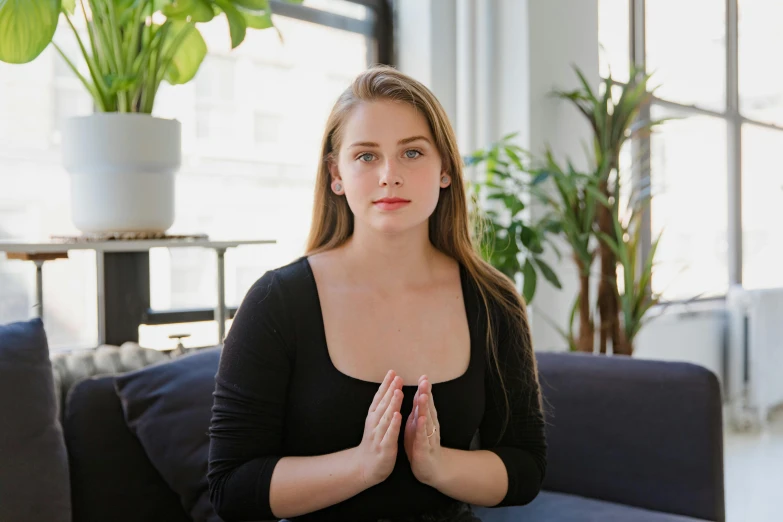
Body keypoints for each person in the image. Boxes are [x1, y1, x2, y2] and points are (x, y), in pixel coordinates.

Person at [207, 65, 547, 522]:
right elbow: (231, 487)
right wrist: (362, 467)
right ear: (336, 174)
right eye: (366, 156)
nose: (390, 175)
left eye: (412, 152)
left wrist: (438, 466)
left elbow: (525, 468)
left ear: (444, 169)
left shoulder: (494, 301)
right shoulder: (277, 301)